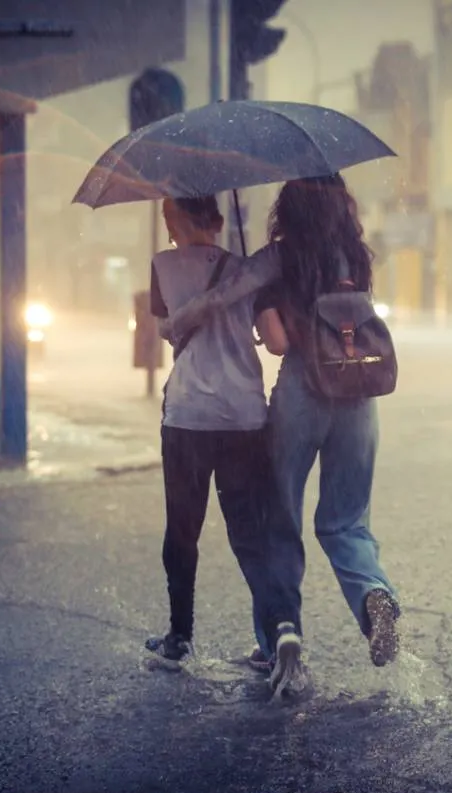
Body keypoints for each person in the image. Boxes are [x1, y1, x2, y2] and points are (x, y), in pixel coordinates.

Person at [162, 174, 401, 672]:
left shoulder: (281, 255)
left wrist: (181, 318)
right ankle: (374, 596)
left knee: (279, 521)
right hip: (359, 395)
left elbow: (233, 301)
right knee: (345, 520)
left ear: (288, 211)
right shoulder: (357, 255)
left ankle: (280, 639)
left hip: (302, 392)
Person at [143, 195, 304, 688]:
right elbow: (277, 341)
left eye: (169, 216)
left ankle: (179, 638)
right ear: (216, 220)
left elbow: (166, 332)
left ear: (175, 220)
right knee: (250, 534)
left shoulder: (162, 268)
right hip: (244, 418)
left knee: (183, 531)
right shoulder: (248, 271)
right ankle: (281, 627)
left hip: (189, 418)